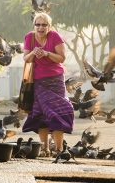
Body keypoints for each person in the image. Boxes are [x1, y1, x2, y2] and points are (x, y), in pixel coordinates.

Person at [22, 12, 74, 157]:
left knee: (58, 112)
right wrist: (33, 52)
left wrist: (46, 54)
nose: (40, 27)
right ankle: (44, 149)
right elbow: (26, 59)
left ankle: (58, 149)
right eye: (37, 24)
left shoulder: (55, 36)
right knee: (40, 114)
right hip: (37, 81)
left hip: (55, 80)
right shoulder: (29, 37)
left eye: (44, 25)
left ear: (49, 26)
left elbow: (61, 58)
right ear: (34, 26)